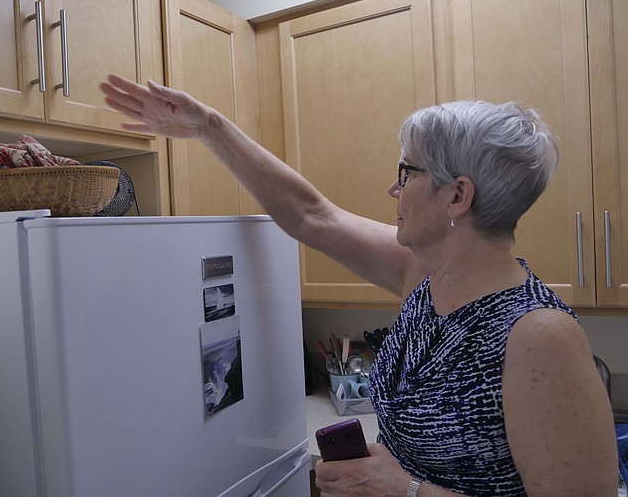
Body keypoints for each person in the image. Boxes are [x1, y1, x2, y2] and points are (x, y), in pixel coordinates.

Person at [100, 74, 618, 496]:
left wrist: (407, 491)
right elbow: (311, 216)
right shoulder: (423, 275)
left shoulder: (538, 335)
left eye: (407, 171)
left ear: (457, 196)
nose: (392, 187)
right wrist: (209, 126)